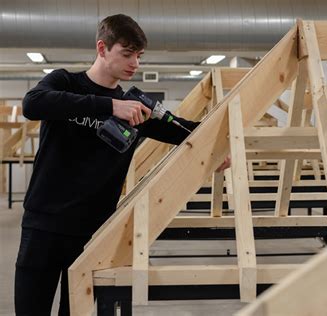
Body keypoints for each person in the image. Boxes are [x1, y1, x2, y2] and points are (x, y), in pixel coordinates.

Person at [15, 14, 229, 315]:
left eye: (139, 56)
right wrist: (110, 105)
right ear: (102, 48)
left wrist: (218, 145)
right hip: (43, 225)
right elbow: (32, 104)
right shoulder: (65, 81)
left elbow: (183, 129)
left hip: (93, 232)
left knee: (74, 312)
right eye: (127, 54)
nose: (135, 64)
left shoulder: (136, 110)